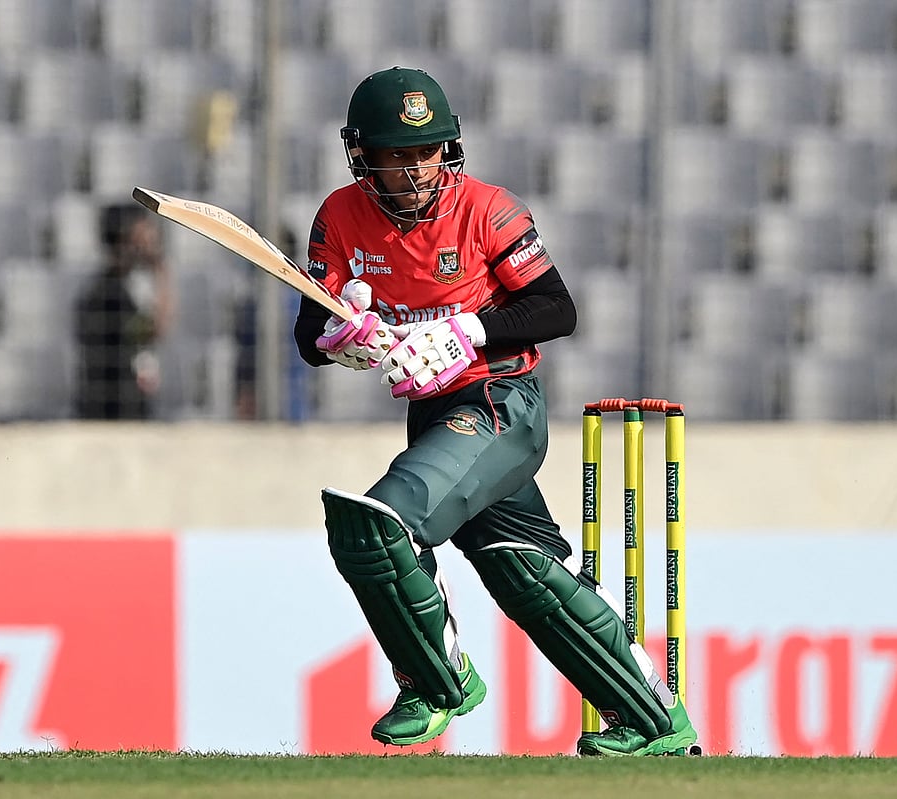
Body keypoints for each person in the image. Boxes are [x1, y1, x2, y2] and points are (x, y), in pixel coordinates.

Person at [292, 66, 698, 757]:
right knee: (525, 569)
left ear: (448, 149)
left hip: (501, 402)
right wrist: (343, 339)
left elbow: (556, 309)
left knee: (379, 527)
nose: (415, 170)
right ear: (362, 155)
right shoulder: (339, 215)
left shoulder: (488, 209)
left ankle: (435, 683)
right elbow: (310, 334)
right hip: (434, 417)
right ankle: (657, 721)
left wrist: (466, 330)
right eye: (396, 154)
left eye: (426, 152)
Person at [76, 203, 172, 419]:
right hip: (112, 414)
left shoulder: (120, 288)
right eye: (143, 235)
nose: (151, 240)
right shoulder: (107, 295)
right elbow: (157, 329)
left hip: (126, 410)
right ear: (125, 239)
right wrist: (160, 269)